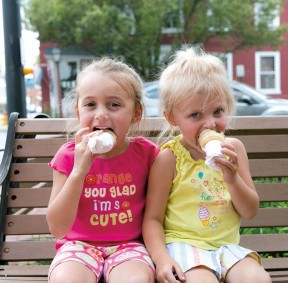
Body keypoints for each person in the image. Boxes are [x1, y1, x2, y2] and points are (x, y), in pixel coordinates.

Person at [142, 47, 271, 283]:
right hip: (184, 246)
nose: (210, 123)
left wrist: (232, 179)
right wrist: (161, 259)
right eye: (195, 115)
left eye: (218, 111)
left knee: (258, 279)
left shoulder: (234, 150)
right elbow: (152, 218)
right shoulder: (169, 158)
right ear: (172, 118)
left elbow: (250, 211)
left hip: (227, 248)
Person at [47, 57, 159, 283]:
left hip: (130, 248)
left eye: (114, 105)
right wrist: (79, 170)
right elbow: (57, 228)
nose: (101, 114)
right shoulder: (68, 156)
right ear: (78, 112)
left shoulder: (147, 155)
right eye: (90, 104)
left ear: (136, 113)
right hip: (77, 247)